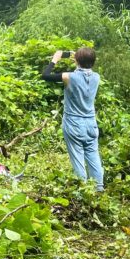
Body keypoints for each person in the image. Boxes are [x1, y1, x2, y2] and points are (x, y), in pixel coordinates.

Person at [41, 47, 103, 191]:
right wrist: (80, 59)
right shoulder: (96, 77)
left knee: (78, 160)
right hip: (91, 125)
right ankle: (99, 190)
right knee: (94, 159)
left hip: (74, 124)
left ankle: (82, 191)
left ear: (77, 60)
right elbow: (84, 71)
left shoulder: (70, 77)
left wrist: (55, 59)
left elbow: (45, 75)